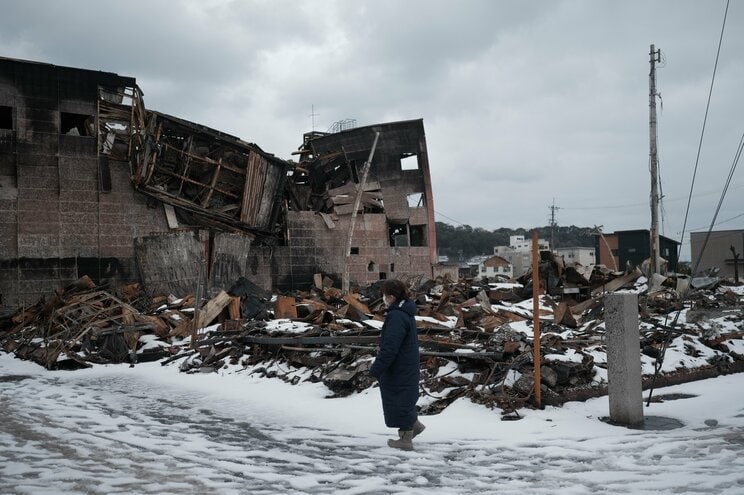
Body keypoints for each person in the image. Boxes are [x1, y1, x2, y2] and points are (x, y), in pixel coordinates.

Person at [369, 279, 425, 451]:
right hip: (406, 364)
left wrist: (376, 369)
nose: (383, 298)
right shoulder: (404, 312)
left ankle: (406, 439)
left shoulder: (396, 316)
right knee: (403, 398)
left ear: (391, 297)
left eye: (385, 295)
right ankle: (414, 425)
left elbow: (390, 347)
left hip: (399, 366)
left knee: (399, 400)